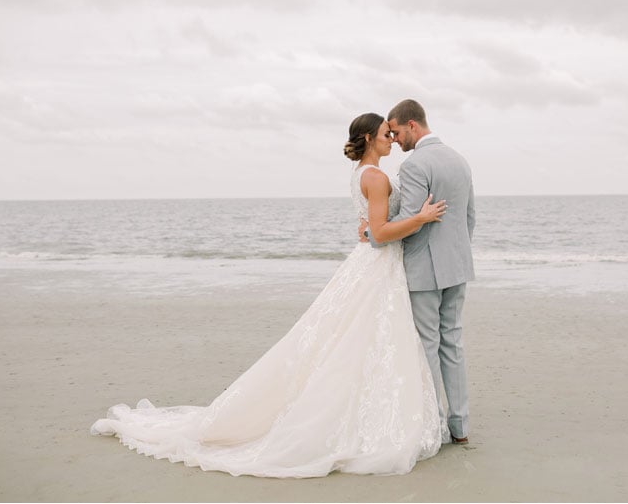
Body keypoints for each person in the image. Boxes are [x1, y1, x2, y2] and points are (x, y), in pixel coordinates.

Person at [90, 112, 449, 478]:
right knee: (360, 342)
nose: (392, 139)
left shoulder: (361, 174)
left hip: (375, 267)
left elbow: (371, 229)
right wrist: (421, 218)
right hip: (377, 267)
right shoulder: (374, 175)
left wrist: (378, 228)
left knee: (358, 342)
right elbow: (380, 232)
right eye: (386, 134)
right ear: (371, 137)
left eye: (393, 133)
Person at [361, 99, 475, 444]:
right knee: (452, 343)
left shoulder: (414, 166)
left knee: (428, 344)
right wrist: (455, 252)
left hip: (425, 269)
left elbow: (410, 221)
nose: (394, 139)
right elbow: (469, 217)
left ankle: (435, 426)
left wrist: (372, 234)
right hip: (457, 266)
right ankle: (460, 426)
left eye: (396, 131)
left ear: (413, 125)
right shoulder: (460, 160)